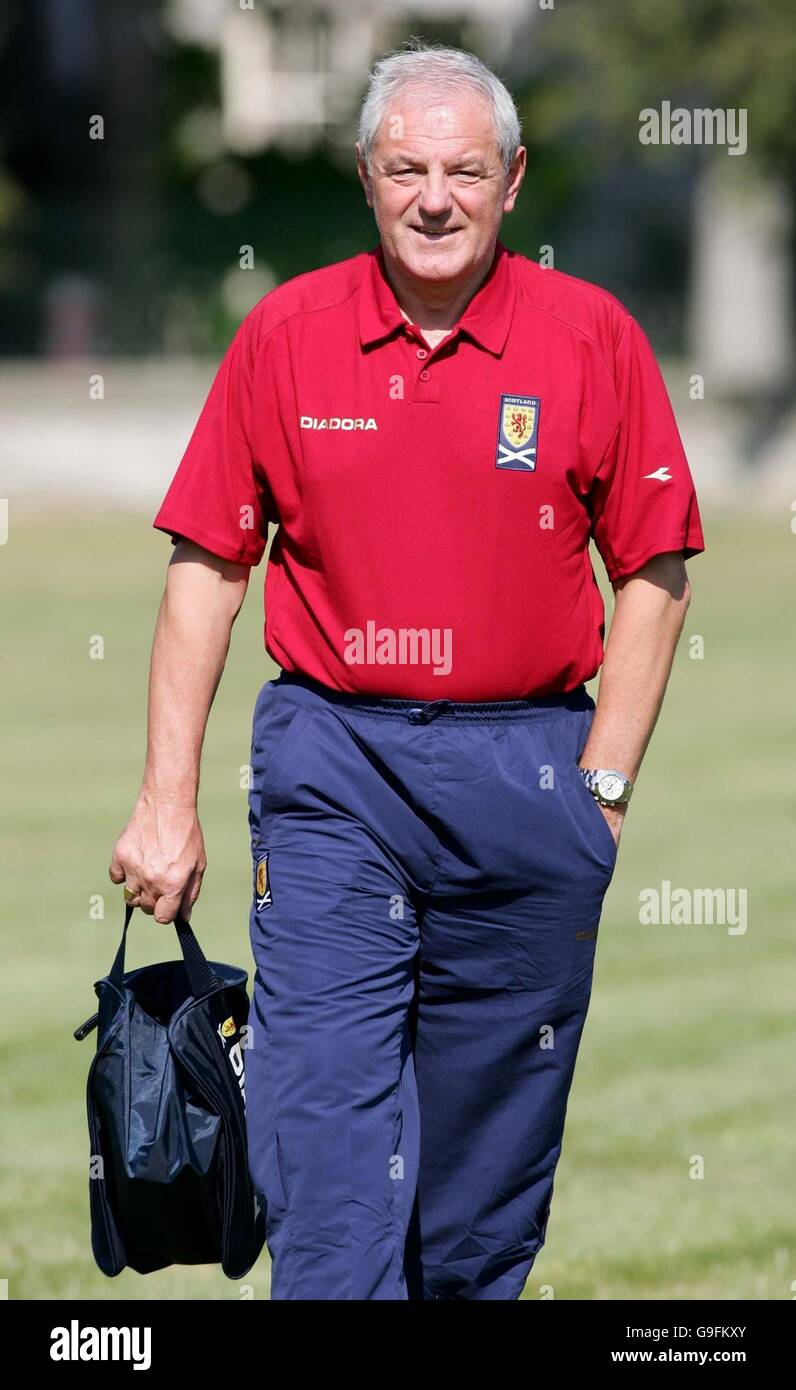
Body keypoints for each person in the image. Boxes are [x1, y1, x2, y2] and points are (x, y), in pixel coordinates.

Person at [110, 42, 705, 1300]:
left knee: (483, 1193)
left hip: (531, 773)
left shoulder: (590, 338)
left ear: (511, 180)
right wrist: (167, 799)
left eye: (463, 171)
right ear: (368, 180)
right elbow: (208, 568)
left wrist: (597, 790)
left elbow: (652, 571)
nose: (435, 197)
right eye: (405, 170)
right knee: (323, 1137)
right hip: (335, 770)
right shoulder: (285, 336)